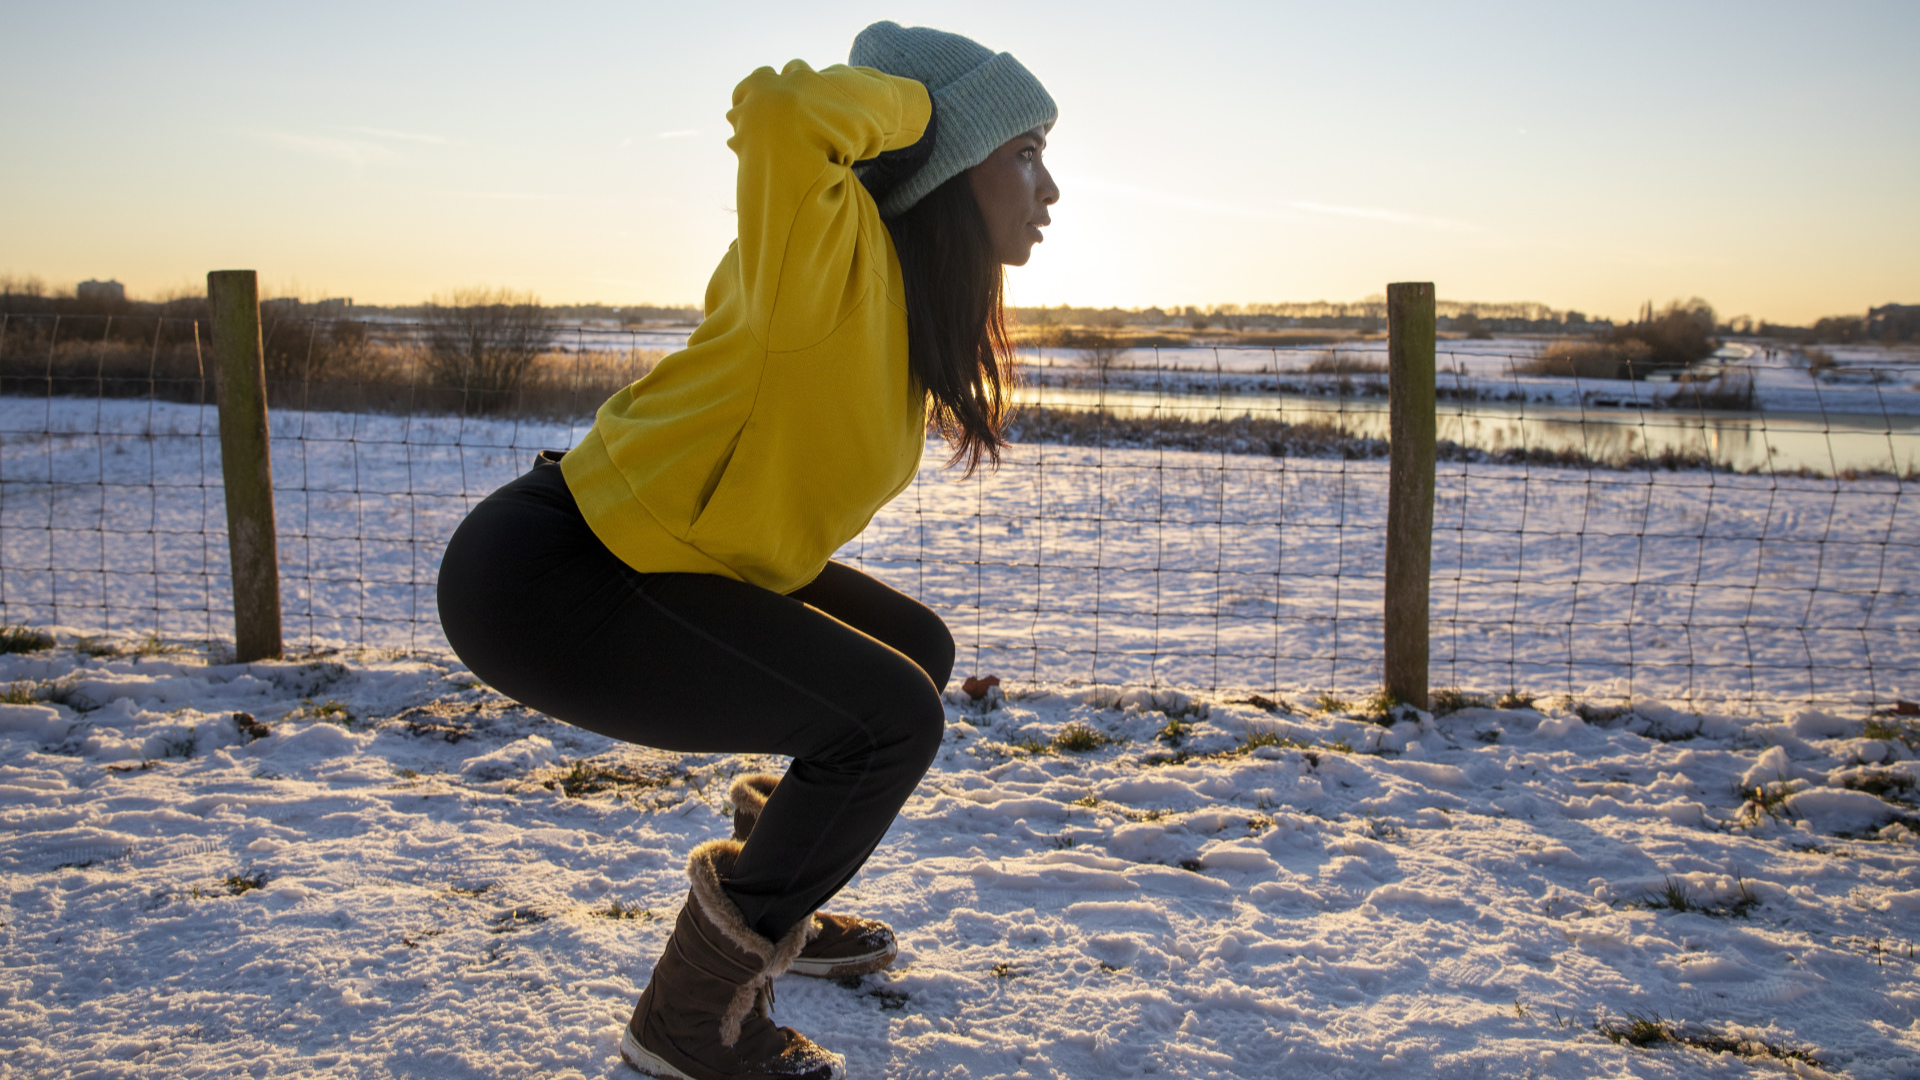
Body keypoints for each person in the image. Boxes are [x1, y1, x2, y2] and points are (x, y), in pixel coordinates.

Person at [435, 20, 1058, 1080]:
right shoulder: (825, 250)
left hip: (678, 558)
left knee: (915, 649)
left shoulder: (897, 297)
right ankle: (690, 1020)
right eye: (1025, 154)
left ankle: (783, 902)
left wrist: (972, 130)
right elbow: (779, 110)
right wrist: (932, 117)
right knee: (886, 719)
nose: (1049, 192)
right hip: (563, 572)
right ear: (952, 167)